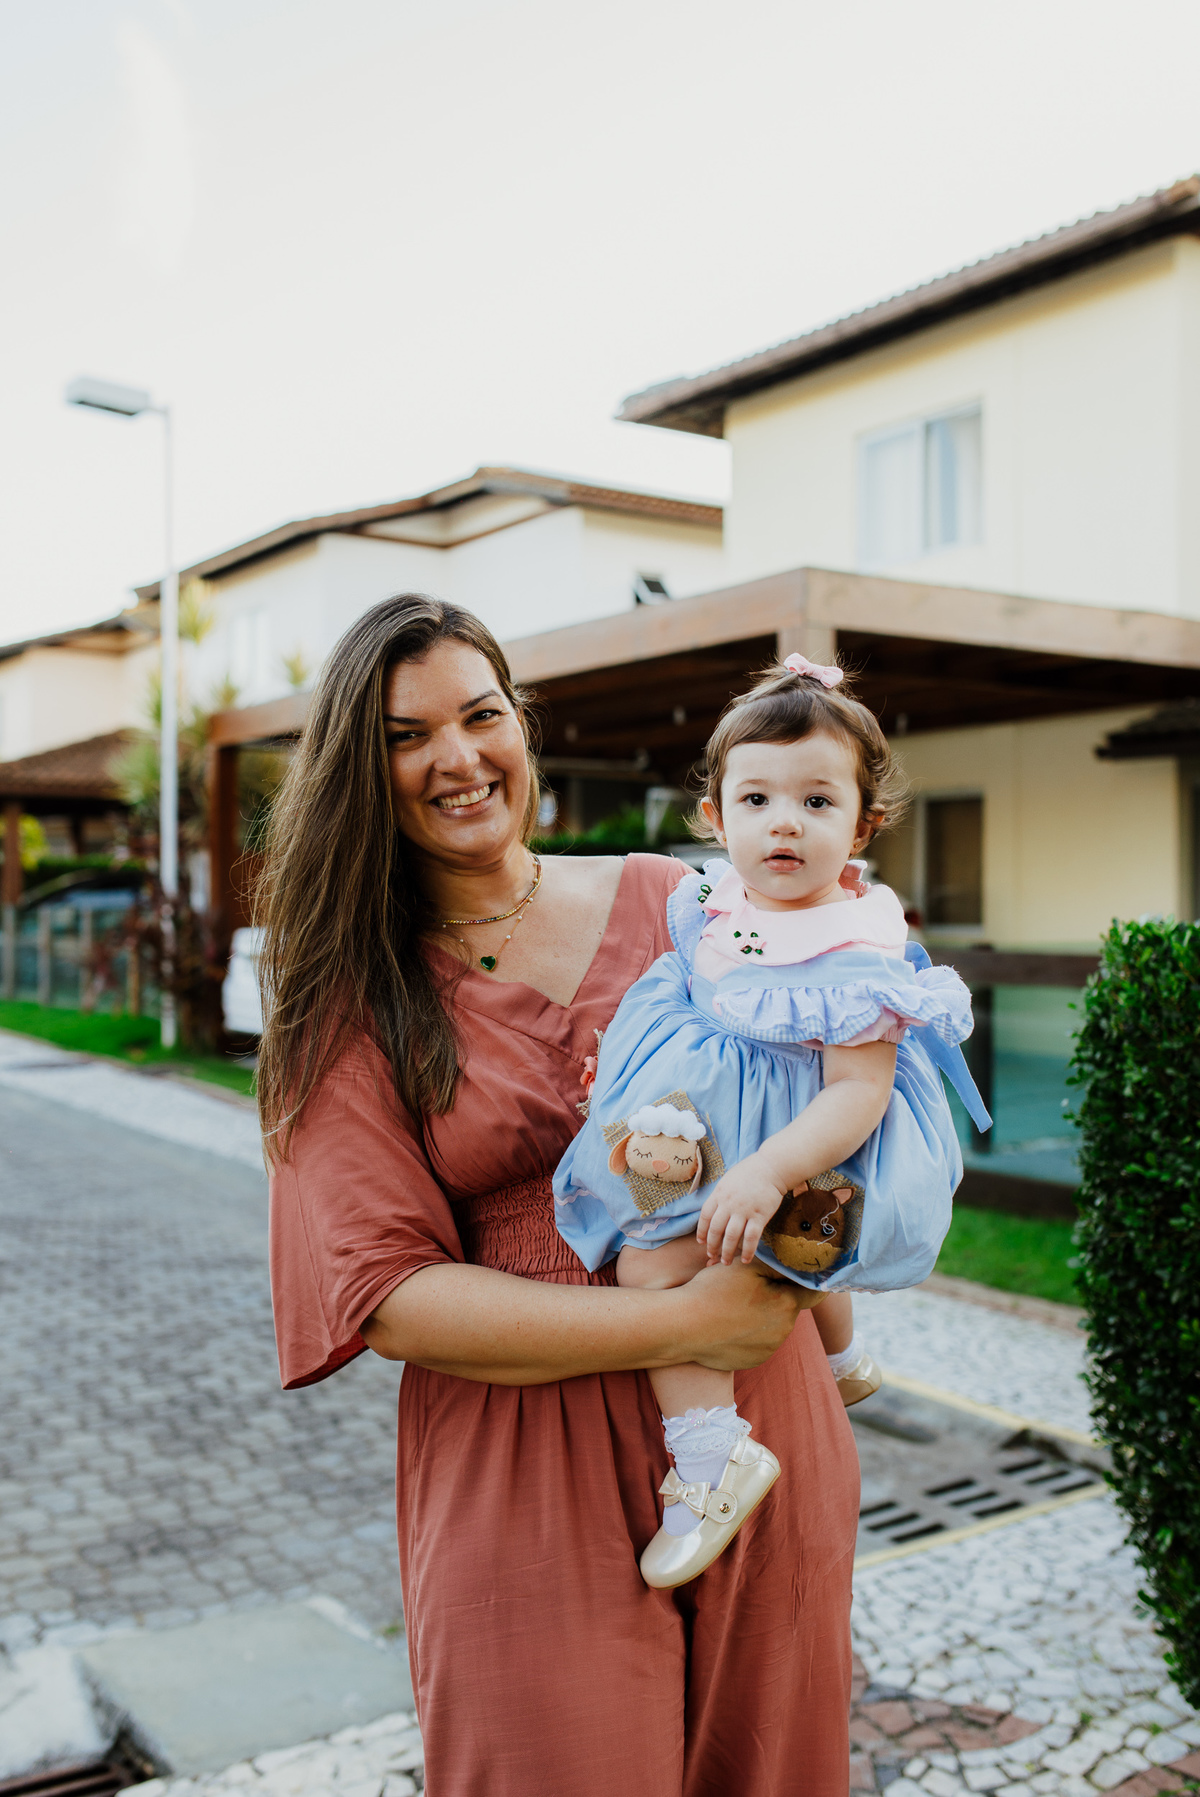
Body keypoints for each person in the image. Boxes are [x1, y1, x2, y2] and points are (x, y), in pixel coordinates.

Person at [259, 596, 860, 1797]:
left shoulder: (682, 904)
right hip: (520, 1455)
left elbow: (829, 1061)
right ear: (355, 770)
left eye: (482, 716)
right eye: (403, 735)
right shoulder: (347, 990)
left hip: (763, 1416)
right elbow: (388, 1298)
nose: (458, 758)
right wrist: (684, 1326)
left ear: (521, 724)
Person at [554, 654, 989, 1589]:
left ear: (863, 824)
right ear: (715, 817)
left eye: (817, 802)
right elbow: (683, 993)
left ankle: (711, 1453)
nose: (782, 821)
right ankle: (844, 1357)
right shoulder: (713, 901)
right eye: (755, 799)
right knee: (753, 1245)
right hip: (710, 1125)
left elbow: (856, 1095)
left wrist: (764, 1174)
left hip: (799, 1151)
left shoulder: (854, 950)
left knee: (653, 1258)